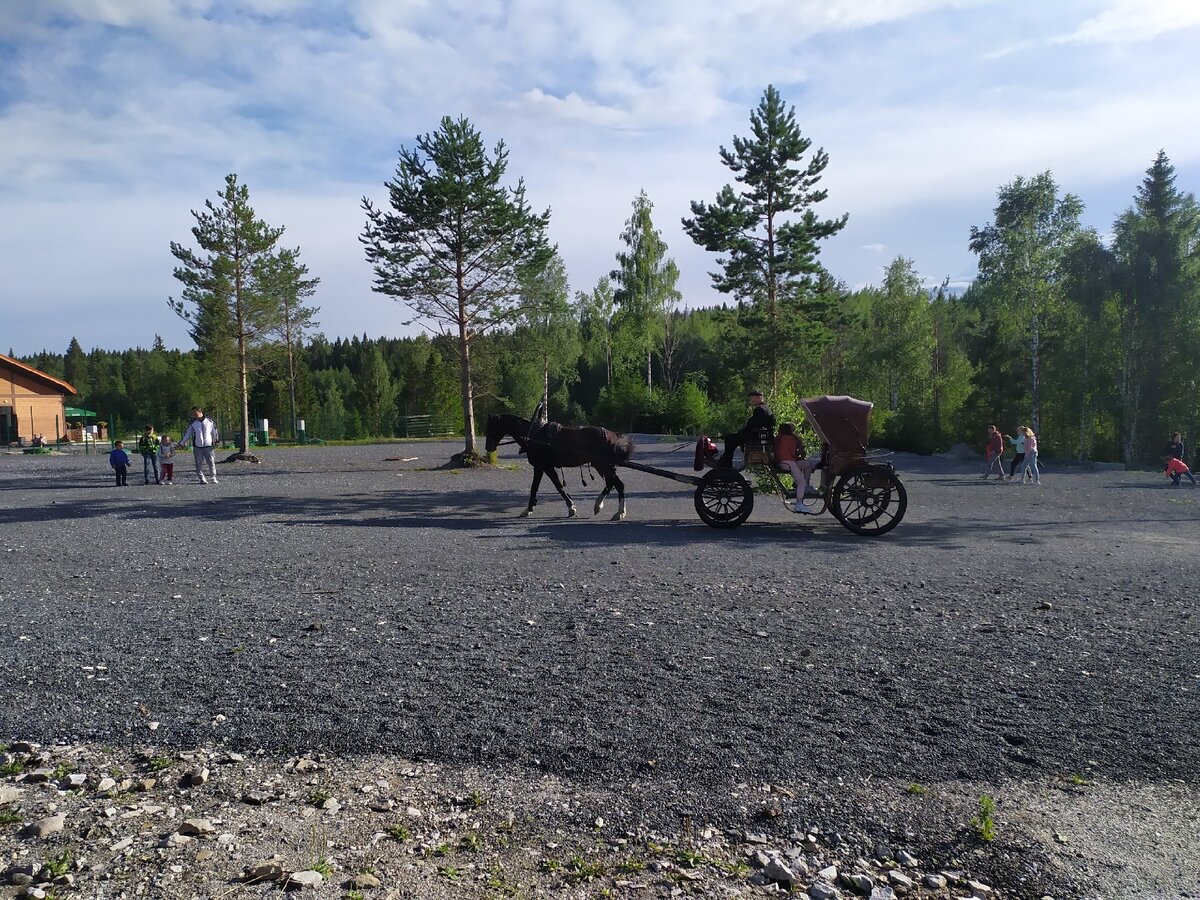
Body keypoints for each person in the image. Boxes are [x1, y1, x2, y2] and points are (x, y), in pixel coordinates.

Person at [719, 390, 776, 467]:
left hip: (755, 437)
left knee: (729, 438)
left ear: (759, 397)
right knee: (732, 437)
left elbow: (752, 426)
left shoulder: (760, 410)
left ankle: (726, 463)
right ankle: (726, 460)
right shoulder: (766, 408)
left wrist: (740, 433)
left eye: (752, 398)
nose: (751, 401)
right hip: (760, 436)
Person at [774, 422, 817, 514]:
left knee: (807, 464)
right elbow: (794, 454)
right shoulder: (792, 439)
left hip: (781, 462)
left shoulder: (778, 438)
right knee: (801, 482)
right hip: (789, 462)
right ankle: (799, 503)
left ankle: (805, 488)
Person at [180, 407, 219, 484]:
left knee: (211, 462)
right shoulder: (193, 423)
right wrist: (182, 442)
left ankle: (213, 477)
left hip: (209, 445)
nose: (194, 414)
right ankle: (201, 478)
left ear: (200, 412)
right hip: (197, 446)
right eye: (193, 413)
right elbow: (188, 433)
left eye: (195, 412)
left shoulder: (209, 421)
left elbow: (214, 431)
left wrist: (216, 440)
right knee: (198, 463)